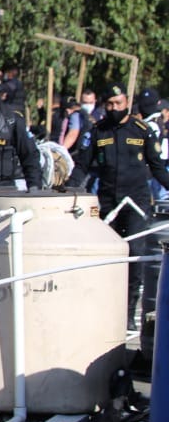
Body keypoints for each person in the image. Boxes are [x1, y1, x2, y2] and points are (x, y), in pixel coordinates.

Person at [81, 83, 169, 339]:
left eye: (119, 104)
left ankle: (129, 312)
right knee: (106, 258)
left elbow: (158, 168)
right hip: (108, 203)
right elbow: (83, 167)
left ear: (127, 103)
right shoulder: (98, 131)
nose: (114, 108)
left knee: (134, 257)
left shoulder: (142, 130)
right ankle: (104, 310)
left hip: (136, 204)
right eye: (110, 104)